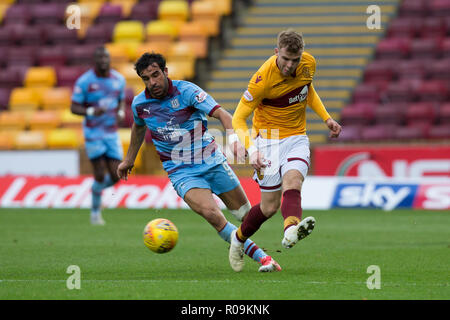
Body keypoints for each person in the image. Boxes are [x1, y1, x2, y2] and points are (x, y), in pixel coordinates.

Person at [117, 52, 281, 272]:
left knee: (246, 215)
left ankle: (246, 240)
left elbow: (223, 114)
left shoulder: (188, 92)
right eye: (146, 79)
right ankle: (264, 258)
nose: (152, 82)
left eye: (156, 75)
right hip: (181, 170)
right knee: (212, 214)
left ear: (165, 72)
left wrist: (234, 140)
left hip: (212, 161)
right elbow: (138, 127)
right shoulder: (140, 104)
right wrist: (129, 159)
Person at [230, 29, 342, 270]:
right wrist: (252, 150)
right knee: (269, 207)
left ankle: (291, 228)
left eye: (296, 59)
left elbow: (306, 90)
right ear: (276, 52)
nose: (291, 65)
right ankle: (238, 239)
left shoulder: (309, 63)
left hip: (296, 137)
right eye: (286, 59)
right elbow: (238, 119)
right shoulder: (261, 80)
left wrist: (326, 118)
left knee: (294, 181)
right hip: (267, 141)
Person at [71, 46, 126, 225]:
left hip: (111, 133)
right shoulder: (84, 81)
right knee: (100, 174)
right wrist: (91, 111)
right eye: (100, 58)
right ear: (95, 61)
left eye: (106, 58)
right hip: (93, 133)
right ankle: (95, 212)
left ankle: (96, 190)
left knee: (117, 174)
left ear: (109, 60)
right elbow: (74, 107)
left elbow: (121, 101)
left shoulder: (119, 80)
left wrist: (121, 112)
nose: (104, 61)